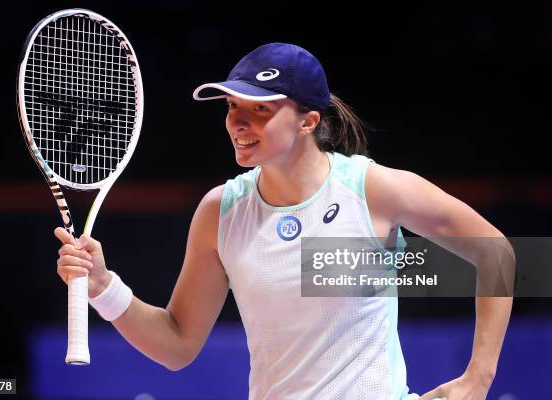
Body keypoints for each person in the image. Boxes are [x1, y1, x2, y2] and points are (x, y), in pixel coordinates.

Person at [54, 43, 514, 399]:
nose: (238, 122)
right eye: (232, 106)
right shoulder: (221, 212)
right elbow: (177, 344)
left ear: (307, 121)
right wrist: (102, 287)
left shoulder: (372, 190)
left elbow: (497, 252)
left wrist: (478, 378)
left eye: (260, 109)